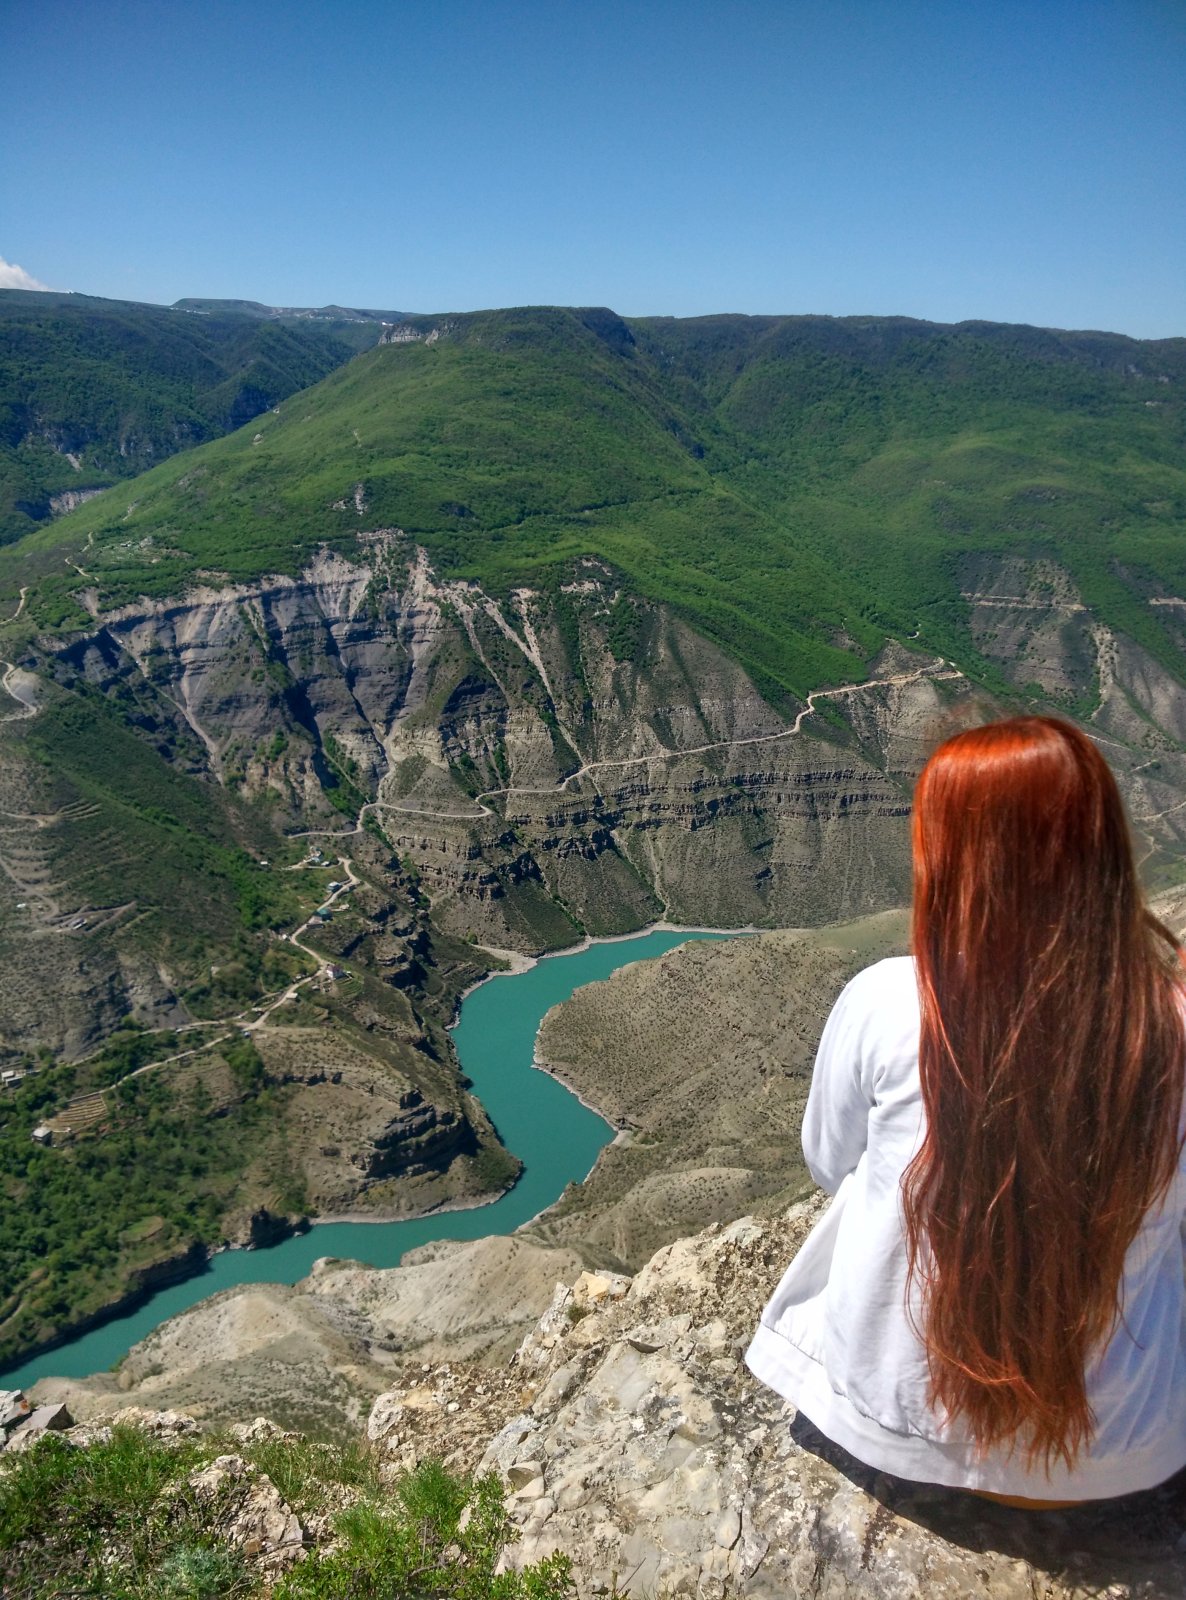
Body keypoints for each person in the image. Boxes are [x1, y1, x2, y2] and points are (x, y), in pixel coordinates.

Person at [746, 715, 1186, 1505]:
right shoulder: (1170, 1026)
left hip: (898, 1423)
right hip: (1123, 1445)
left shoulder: (888, 1001)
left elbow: (827, 1162)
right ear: (1100, 845)